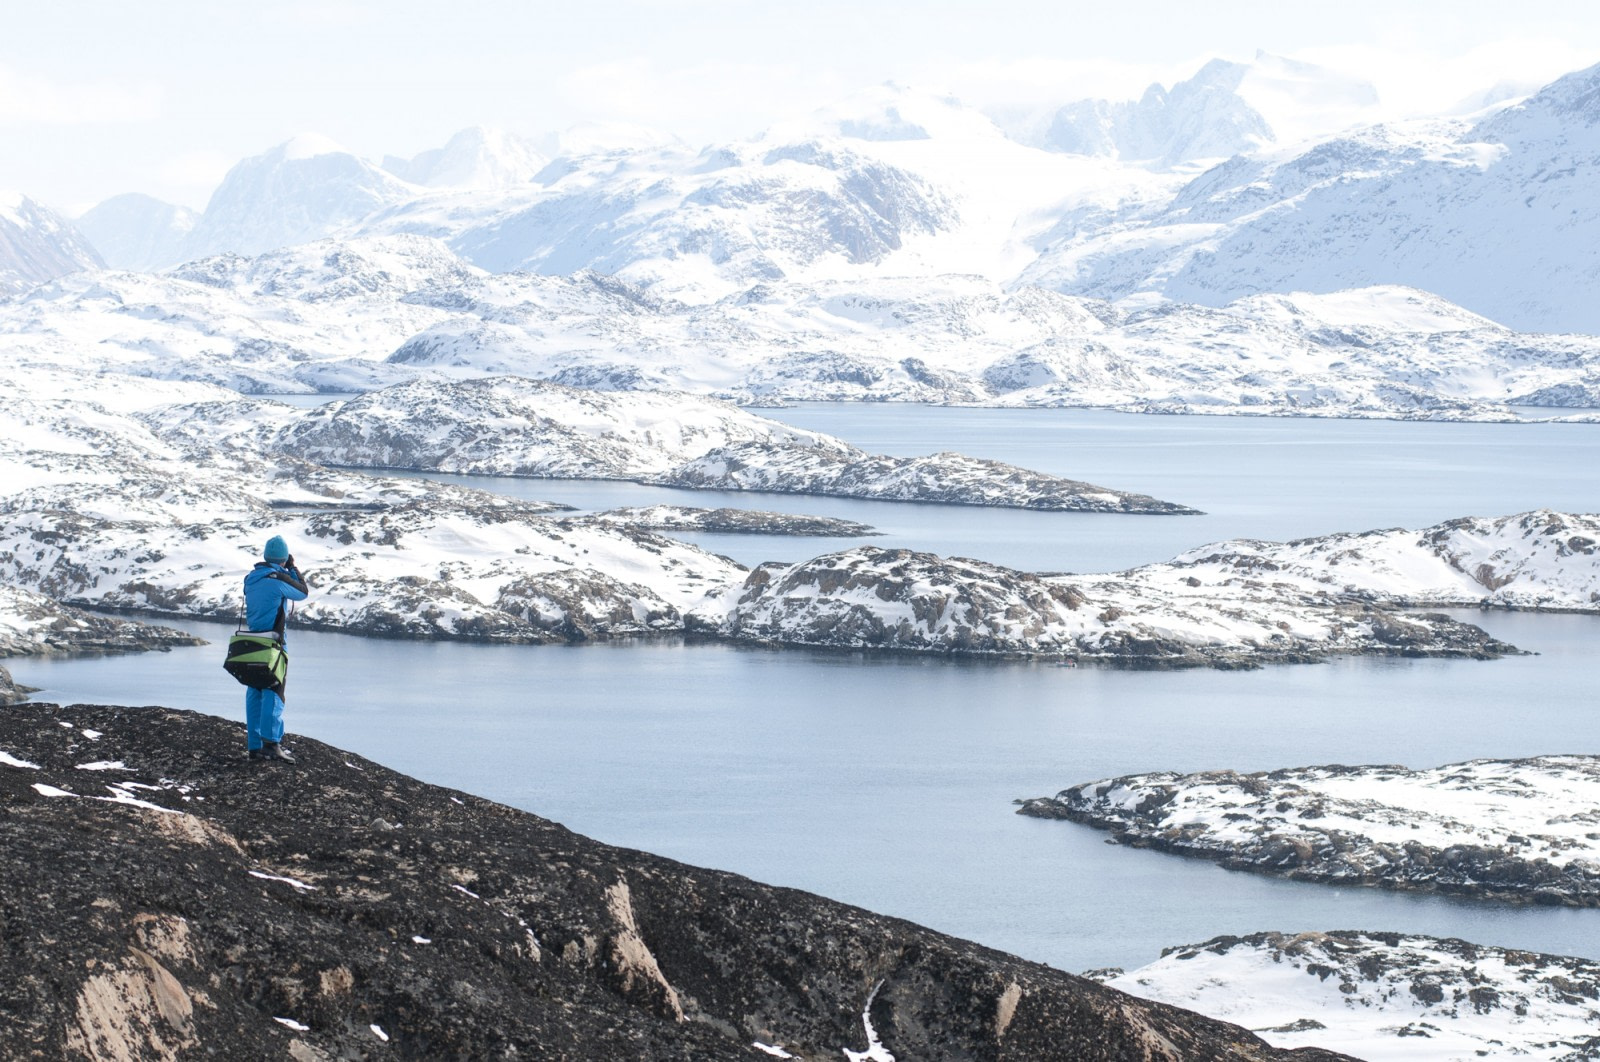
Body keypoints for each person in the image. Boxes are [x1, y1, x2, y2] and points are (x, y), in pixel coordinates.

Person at [243, 535, 309, 762]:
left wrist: (283, 568)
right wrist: (292, 568)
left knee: (255, 690)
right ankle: (271, 745)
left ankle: (254, 746)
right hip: (274, 644)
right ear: (283, 558)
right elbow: (301, 591)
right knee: (273, 690)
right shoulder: (276, 578)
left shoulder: (251, 578)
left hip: (252, 642)